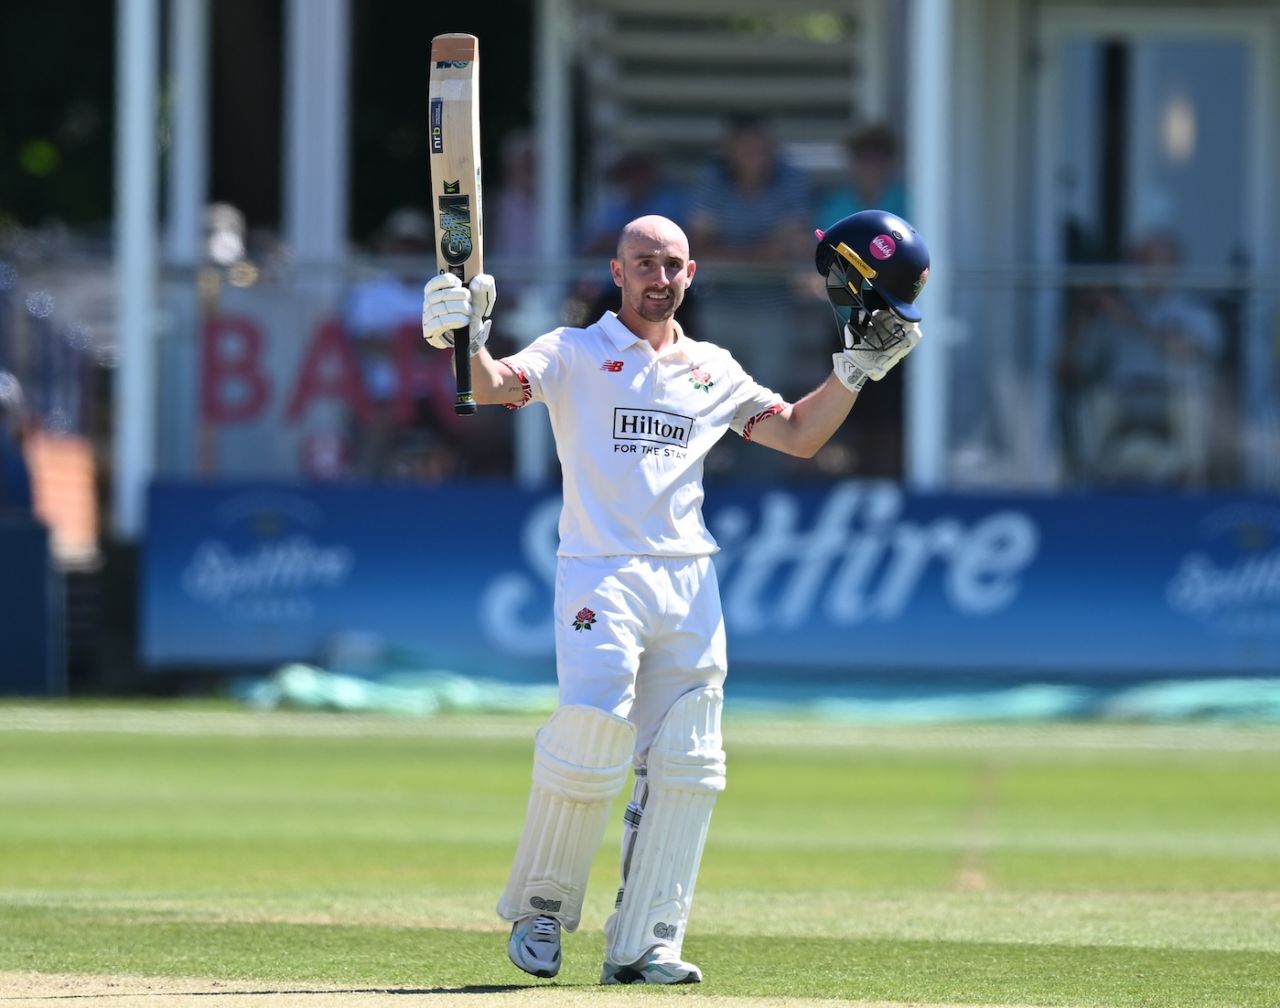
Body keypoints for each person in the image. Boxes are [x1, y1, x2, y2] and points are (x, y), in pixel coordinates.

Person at [421, 209, 928, 985]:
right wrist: (463, 337)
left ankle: (645, 940)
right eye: (644, 263)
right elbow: (491, 388)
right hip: (599, 570)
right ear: (617, 273)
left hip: (689, 577)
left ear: (692, 275)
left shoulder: (713, 367)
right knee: (591, 729)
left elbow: (796, 435)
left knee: (689, 760)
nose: (660, 278)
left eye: (673, 265)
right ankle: (544, 909)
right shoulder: (576, 351)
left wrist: (854, 372)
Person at [1057, 230, 1224, 486]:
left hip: (1173, 393)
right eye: (1141, 261)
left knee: (1192, 407)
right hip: (1122, 392)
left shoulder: (1195, 309)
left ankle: (1194, 492)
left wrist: (1130, 321)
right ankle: (1085, 489)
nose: (1147, 269)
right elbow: (1071, 368)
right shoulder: (1111, 312)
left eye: (1155, 261)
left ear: (1174, 265)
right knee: (1092, 405)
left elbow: (1186, 349)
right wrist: (1079, 315)